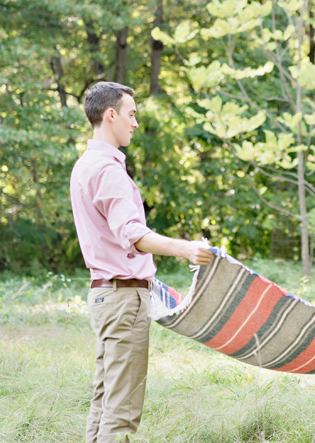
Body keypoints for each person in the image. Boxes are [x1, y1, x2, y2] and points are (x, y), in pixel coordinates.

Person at [70, 81, 214, 443]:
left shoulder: (85, 165)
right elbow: (133, 233)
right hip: (123, 300)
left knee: (104, 403)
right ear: (111, 114)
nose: (135, 123)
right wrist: (184, 248)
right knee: (121, 412)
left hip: (106, 298)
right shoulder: (107, 170)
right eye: (131, 115)